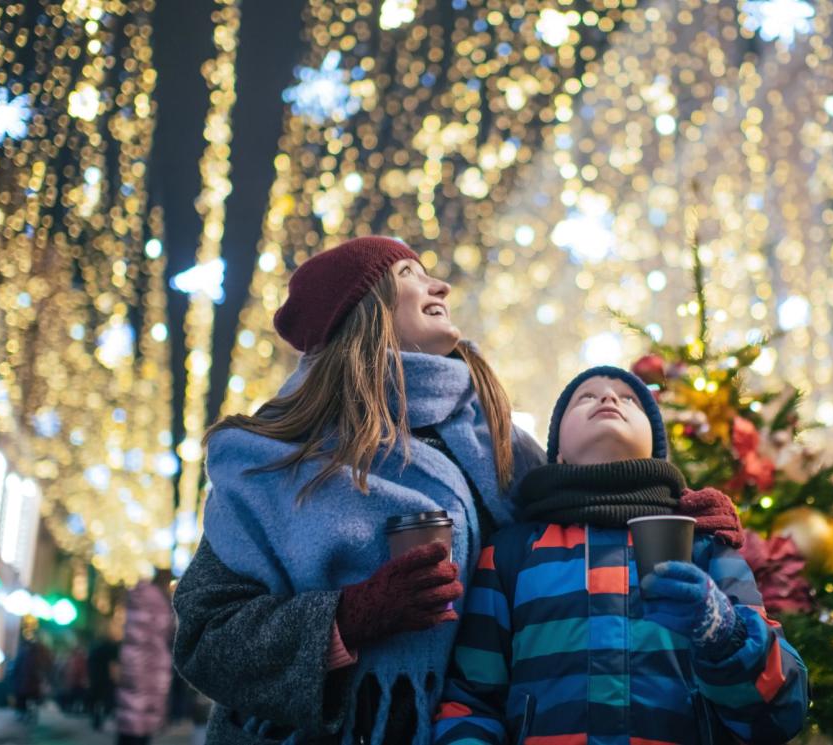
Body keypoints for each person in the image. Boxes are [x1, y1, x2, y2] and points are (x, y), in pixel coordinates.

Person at [172, 237, 744, 745]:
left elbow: (580, 515)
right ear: (360, 309)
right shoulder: (275, 457)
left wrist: (678, 510)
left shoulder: (497, 440)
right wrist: (346, 619)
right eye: (410, 276)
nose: (439, 284)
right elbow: (206, 637)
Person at [434, 367, 809, 745]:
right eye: (586, 397)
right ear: (558, 452)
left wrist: (723, 633)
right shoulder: (510, 553)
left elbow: (780, 713)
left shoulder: (705, 547)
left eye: (629, 398)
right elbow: (473, 701)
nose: (609, 398)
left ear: (655, 448)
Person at [116, 570, 175, 745]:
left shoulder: (139, 598)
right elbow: (164, 631)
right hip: (148, 668)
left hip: (134, 664)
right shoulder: (157, 602)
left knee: (130, 719)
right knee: (140, 723)